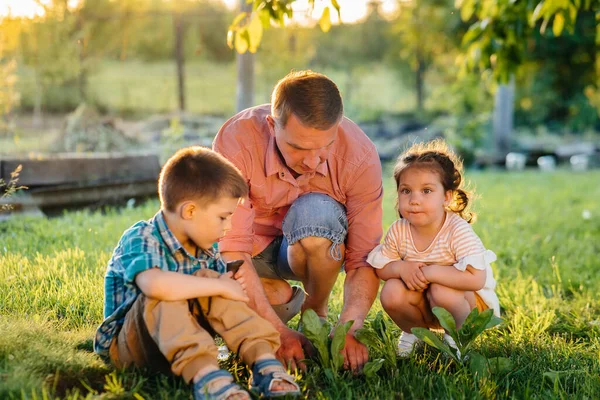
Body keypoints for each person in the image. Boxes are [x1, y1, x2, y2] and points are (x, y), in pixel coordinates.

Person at [93, 147, 301, 400]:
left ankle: (264, 363)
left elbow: (220, 302)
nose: (228, 228)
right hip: (132, 349)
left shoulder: (208, 251)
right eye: (223, 218)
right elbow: (154, 285)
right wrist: (220, 286)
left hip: (178, 341)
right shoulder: (143, 237)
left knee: (213, 281)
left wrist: (227, 288)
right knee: (169, 290)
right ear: (190, 211)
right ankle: (207, 379)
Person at [212, 70, 383, 372]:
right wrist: (276, 332)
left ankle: (314, 310)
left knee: (316, 212)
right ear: (272, 125)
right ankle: (278, 309)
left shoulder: (359, 156)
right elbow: (232, 249)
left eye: (325, 146)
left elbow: (364, 257)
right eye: (300, 148)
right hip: (252, 251)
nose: (313, 161)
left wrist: (350, 329)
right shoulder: (237, 142)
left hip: (316, 247)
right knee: (266, 303)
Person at [367, 139, 499, 358]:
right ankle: (413, 332)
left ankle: (457, 338)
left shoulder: (457, 231)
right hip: (426, 303)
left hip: (466, 305)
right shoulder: (399, 230)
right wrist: (401, 269)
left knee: (441, 289)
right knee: (391, 291)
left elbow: (476, 279)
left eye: (426, 191)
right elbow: (381, 268)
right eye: (406, 191)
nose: (414, 200)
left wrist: (431, 272)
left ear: (446, 197)